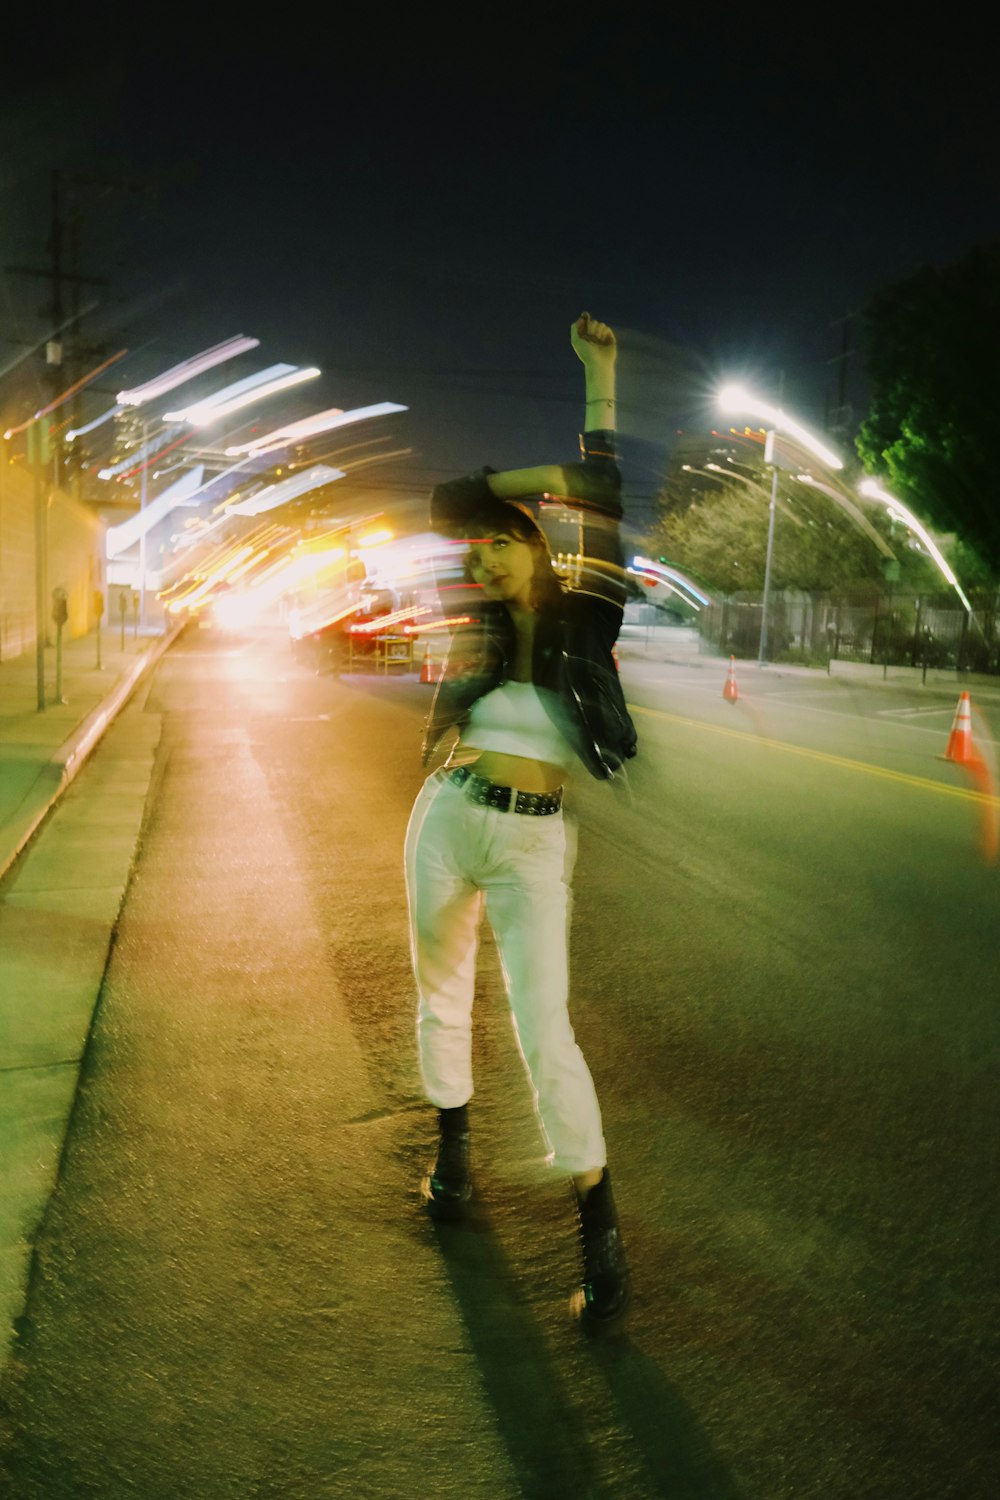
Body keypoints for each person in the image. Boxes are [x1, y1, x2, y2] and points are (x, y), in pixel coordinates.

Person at [404, 313, 637, 1335]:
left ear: (535, 547)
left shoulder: (588, 615)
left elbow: (603, 494)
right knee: (438, 992)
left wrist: (596, 385)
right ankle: (452, 1150)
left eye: (495, 552)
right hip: (449, 816)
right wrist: (499, 503)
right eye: (475, 557)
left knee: (547, 1031)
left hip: (534, 838)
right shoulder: (490, 623)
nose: (480, 569)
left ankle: (599, 1227)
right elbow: (444, 497)